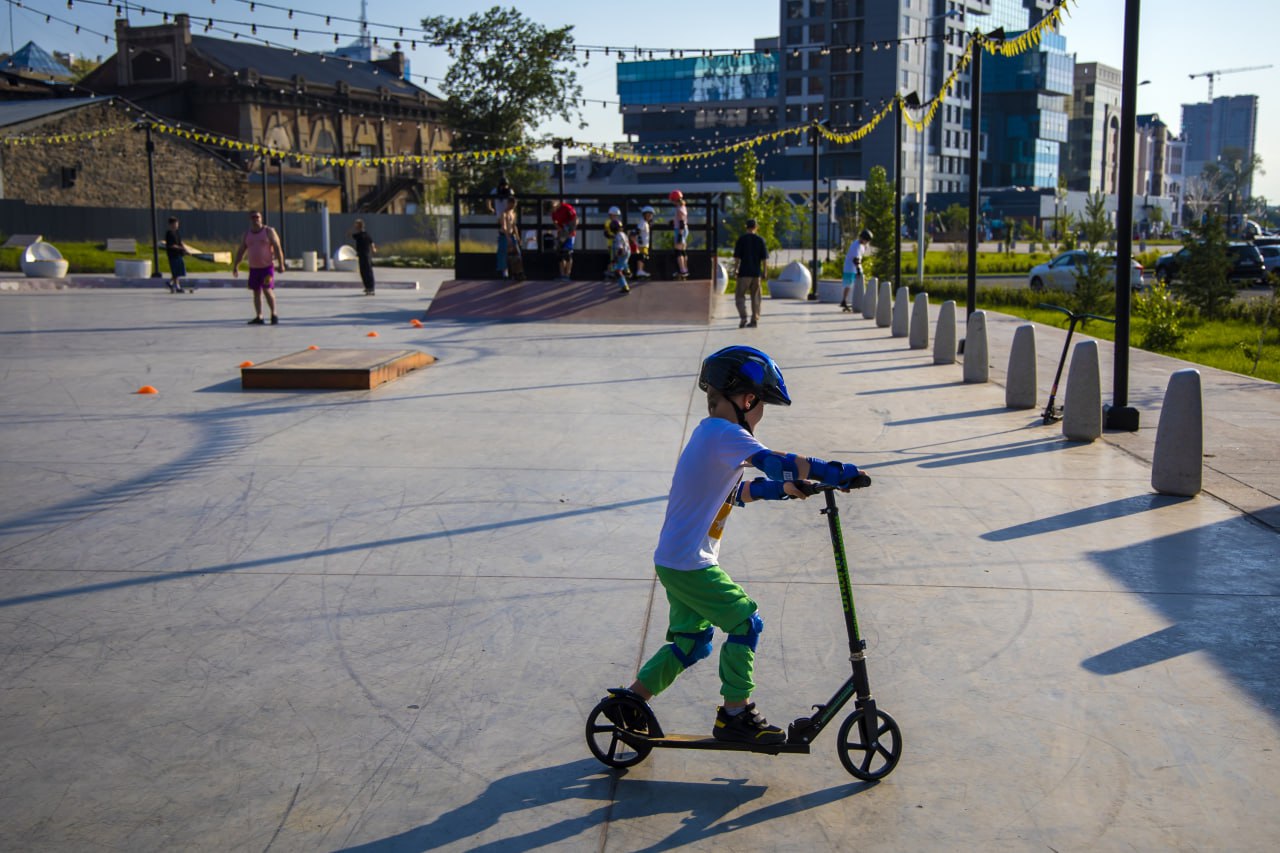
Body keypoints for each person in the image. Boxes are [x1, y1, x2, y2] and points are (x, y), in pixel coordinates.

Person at [617, 346, 868, 745]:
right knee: (745, 622)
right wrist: (834, 471)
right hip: (690, 564)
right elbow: (774, 460)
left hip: (676, 561)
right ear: (746, 399)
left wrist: (784, 490)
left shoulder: (712, 437)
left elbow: (738, 493)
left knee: (692, 642)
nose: (759, 414)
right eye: (761, 404)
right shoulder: (724, 433)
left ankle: (630, 701)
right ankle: (735, 714)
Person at [232, 211, 285, 325]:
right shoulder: (247, 234)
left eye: (257, 217)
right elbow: (241, 251)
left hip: (267, 268)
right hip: (254, 268)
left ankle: (274, 314)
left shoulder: (268, 231)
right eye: (253, 217)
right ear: (249, 219)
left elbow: (277, 247)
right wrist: (236, 266)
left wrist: (281, 264)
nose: (255, 219)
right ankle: (259, 316)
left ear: (261, 218)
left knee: (267, 289)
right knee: (256, 292)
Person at [732, 218, 769, 328]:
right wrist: (765, 272)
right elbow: (764, 259)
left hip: (744, 273)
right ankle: (754, 319)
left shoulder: (741, 239)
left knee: (740, 296)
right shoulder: (760, 240)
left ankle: (743, 317)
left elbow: (737, 258)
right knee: (756, 297)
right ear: (756, 227)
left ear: (746, 227)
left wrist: (735, 270)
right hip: (756, 273)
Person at [841, 229, 872, 312]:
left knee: (852, 285)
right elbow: (856, 259)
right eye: (866, 240)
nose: (866, 242)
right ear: (863, 238)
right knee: (849, 284)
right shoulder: (856, 245)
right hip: (850, 268)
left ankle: (847, 300)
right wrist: (858, 269)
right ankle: (845, 300)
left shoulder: (861, 245)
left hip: (853, 267)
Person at [551, 199, 578, 282]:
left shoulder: (567, 207)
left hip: (569, 233)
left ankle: (567, 274)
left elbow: (575, 219)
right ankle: (562, 274)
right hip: (561, 234)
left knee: (568, 253)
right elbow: (555, 222)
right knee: (560, 254)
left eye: (553, 208)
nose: (553, 210)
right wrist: (559, 229)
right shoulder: (553, 212)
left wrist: (571, 230)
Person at [349, 219, 377, 295]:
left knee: (367, 272)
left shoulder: (364, 235)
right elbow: (350, 235)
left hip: (366, 255)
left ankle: (371, 288)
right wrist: (373, 249)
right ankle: (368, 287)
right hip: (363, 255)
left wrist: (373, 248)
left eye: (356, 225)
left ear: (359, 226)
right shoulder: (360, 235)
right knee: (364, 272)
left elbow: (371, 242)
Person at [163, 216, 190, 294]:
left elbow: (180, 242)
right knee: (175, 272)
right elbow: (171, 245)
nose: (176, 225)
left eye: (177, 223)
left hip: (179, 254)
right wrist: (181, 248)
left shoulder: (177, 233)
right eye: (175, 223)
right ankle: (177, 287)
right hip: (172, 255)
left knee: (180, 271)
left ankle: (170, 283)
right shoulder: (169, 233)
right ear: (171, 224)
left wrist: (185, 250)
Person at [606, 215, 631, 294]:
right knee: (623, 264)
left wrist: (615, 258)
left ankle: (625, 286)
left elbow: (620, 248)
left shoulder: (617, 236)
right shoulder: (623, 234)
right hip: (627, 252)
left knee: (617, 271)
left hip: (622, 254)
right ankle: (627, 270)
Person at [496, 189, 517, 278]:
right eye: (511, 204)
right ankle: (504, 271)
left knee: (515, 253)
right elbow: (503, 226)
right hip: (504, 235)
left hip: (511, 235)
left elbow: (514, 225)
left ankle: (516, 271)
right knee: (503, 253)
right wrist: (507, 237)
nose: (512, 206)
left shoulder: (513, 213)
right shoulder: (503, 213)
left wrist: (517, 237)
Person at [670, 189, 690, 279]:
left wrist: (680, 235)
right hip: (684, 229)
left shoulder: (679, 209)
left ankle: (682, 270)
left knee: (678, 251)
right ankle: (685, 269)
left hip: (680, 230)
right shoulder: (683, 207)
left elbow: (681, 222)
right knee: (683, 250)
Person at [634, 206, 655, 279]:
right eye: (648, 215)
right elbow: (638, 230)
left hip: (645, 244)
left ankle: (641, 270)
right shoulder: (642, 222)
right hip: (642, 244)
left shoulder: (645, 222)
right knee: (642, 256)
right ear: (644, 215)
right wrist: (639, 239)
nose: (650, 216)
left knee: (643, 257)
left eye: (651, 215)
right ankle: (639, 270)